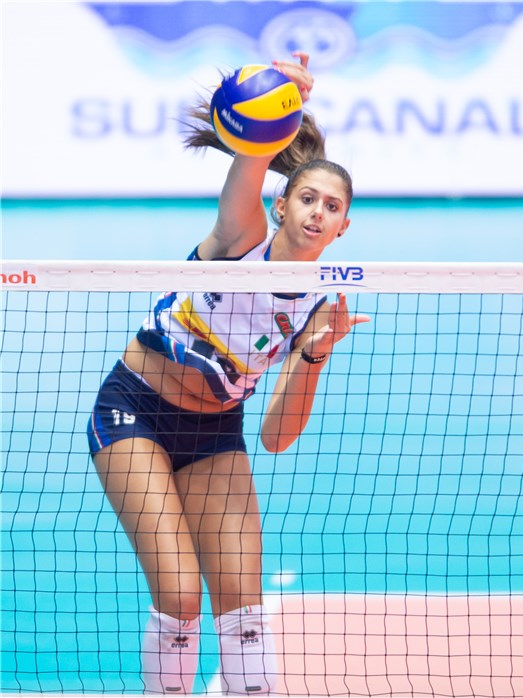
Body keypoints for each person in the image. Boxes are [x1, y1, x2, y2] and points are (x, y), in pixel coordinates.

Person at [87, 52, 369, 695]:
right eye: (307, 198)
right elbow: (249, 159)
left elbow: (275, 437)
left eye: (331, 206)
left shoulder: (317, 308)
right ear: (281, 204)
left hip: (216, 433)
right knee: (181, 595)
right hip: (136, 409)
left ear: (343, 226)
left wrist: (315, 354)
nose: (317, 211)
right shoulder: (241, 238)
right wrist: (282, 102)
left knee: (245, 611)